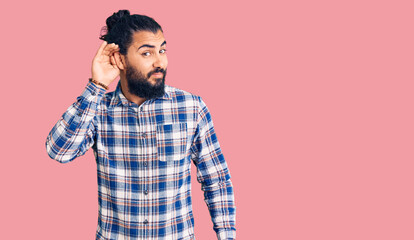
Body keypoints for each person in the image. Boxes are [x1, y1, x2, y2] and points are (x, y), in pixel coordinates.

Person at [45, 9, 236, 240]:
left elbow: (216, 178)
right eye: (146, 53)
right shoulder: (97, 109)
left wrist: (226, 236)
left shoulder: (191, 107)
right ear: (120, 58)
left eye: (162, 50)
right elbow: (59, 151)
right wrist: (96, 85)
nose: (160, 62)